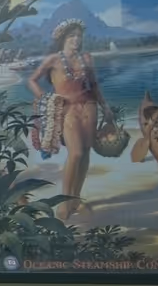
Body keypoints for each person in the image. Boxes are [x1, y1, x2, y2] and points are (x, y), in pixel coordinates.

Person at [27, 19, 106, 215]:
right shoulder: (53, 60)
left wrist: (107, 108)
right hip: (67, 110)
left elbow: (94, 86)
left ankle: (76, 200)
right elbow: (32, 80)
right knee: (76, 153)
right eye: (72, 36)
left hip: (89, 107)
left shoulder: (87, 58)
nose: (76, 40)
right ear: (63, 38)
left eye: (79, 36)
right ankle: (65, 202)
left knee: (86, 153)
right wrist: (46, 98)